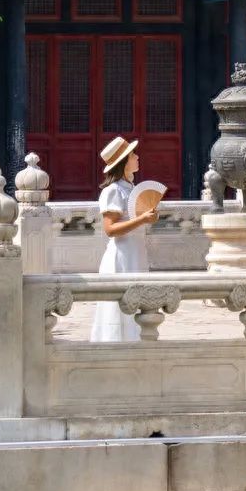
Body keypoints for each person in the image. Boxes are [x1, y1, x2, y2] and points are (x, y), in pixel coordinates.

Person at [91, 135, 159, 342]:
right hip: (121, 256)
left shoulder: (129, 188)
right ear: (124, 162)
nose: (137, 157)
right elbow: (110, 229)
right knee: (117, 309)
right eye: (132, 155)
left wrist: (148, 218)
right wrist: (141, 219)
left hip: (135, 253)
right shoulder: (113, 190)